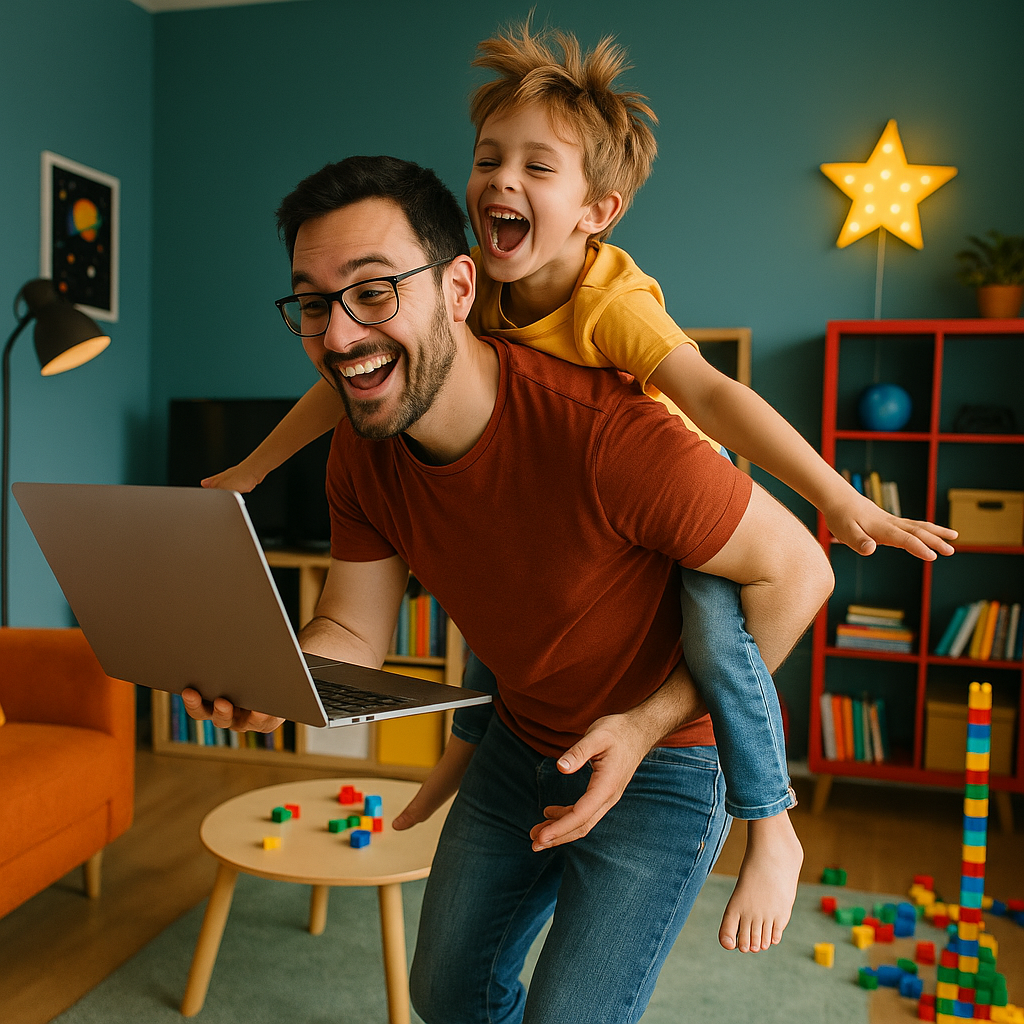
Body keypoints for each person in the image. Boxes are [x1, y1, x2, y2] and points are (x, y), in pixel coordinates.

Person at [201, 24, 956, 954]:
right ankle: (463, 760)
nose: (502, 182)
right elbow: (342, 389)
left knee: (721, 647)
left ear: (599, 209)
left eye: (538, 167)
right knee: (505, 619)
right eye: (489, 159)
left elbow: (716, 397)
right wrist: (258, 511)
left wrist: (838, 498)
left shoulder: (610, 319)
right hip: (542, 678)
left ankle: (772, 821)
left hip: (681, 547)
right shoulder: (441, 339)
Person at [182, 153, 835, 1023]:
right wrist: (277, 681)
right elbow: (350, 627)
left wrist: (644, 726)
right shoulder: (360, 454)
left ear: (459, 286)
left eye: (374, 292)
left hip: (669, 765)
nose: (337, 336)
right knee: (445, 993)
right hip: (519, 742)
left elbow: (801, 573)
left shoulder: (612, 439)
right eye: (312, 303)